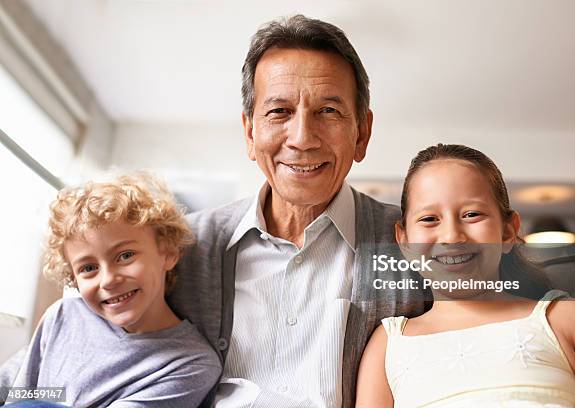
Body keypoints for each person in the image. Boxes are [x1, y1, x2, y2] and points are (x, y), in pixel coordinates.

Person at [166, 14, 426, 408]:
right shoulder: (182, 247)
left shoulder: (413, 241)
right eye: (279, 112)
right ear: (250, 132)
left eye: (328, 111)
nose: (302, 139)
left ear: (362, 133)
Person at [355, 144, 575, 407]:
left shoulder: (564, 318)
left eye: (472, 214)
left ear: (508, 232)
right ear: (404, 242)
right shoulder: (388, 345)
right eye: (430, 219)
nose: (452, 236)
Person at [0, 173, 222, 407]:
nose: (108, 280)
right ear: (73, 278)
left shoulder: (191, 363)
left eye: (125, 256)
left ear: (167, 253)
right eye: (88, 268)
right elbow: (23, 393)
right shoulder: (63, 316)